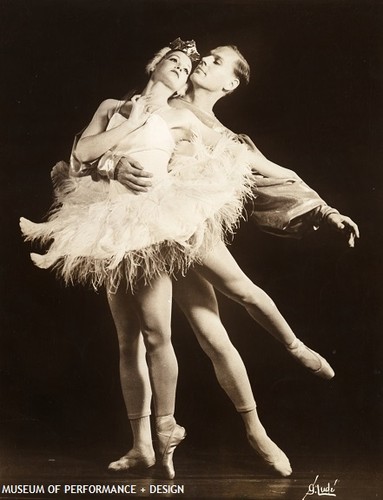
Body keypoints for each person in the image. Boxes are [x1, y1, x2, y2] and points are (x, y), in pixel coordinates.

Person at [102, 45, 359, 477]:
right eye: (205, 57)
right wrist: (112, 165)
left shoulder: (225, 136)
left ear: (231, 84)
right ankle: (142, 446)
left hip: (183, 227)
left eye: (217, 61)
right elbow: (91, 151)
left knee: (215, 331)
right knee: (135, 339)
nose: (204, 62)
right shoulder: (157, 100)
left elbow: (277, 174)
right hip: (134, 229)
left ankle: (259, 426)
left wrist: (327, 210)